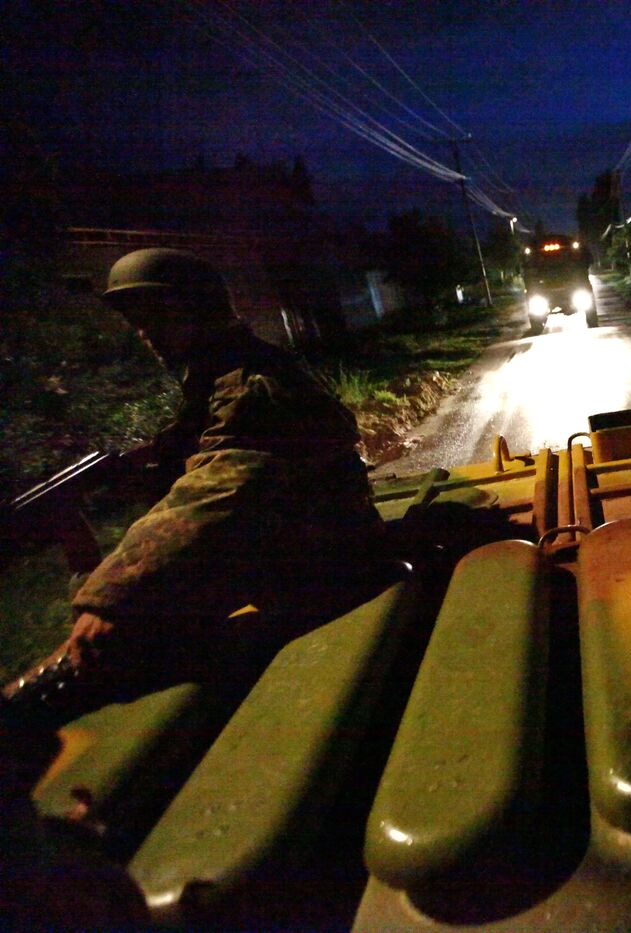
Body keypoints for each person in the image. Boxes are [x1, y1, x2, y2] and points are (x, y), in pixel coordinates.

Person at [2, 248, 387, 729]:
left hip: (323, 565)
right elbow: (205, 452)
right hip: (292, 554)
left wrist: (111, 594)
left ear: (201, 312)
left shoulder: (252, 384)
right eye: (139, 324)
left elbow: (221, 489)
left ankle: (28, 702)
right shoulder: (220, 374)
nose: (146, 336)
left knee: (120, 632)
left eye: (158, 319)